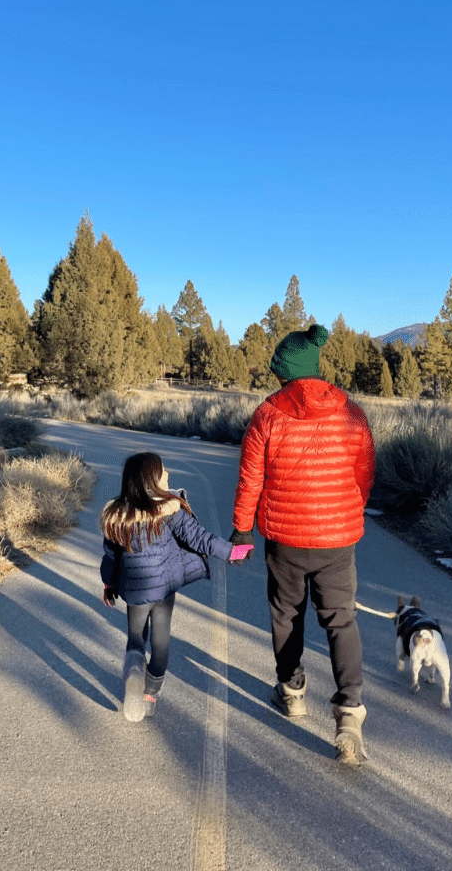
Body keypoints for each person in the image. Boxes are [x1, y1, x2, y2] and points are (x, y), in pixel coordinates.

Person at [230, 324, 375, 765]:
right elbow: (363, 473)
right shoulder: (350, 412)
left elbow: (251, 477)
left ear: (286, 372)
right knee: (340, 620)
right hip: (337, 539)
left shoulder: (268, 414)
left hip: (285, 540)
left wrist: (241, 530)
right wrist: (348, 510)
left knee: (286, 615)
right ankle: (349, 712)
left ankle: (292, 691)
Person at [101, 451, 253, 722]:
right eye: (163, 471)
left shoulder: (117, 517)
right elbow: (200, 538)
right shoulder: (169, 510)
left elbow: (111, 557)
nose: (167, 473)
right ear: (153, 480)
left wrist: (109, 583)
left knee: (135, 639)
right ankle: (149, 697)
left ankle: (134, 673)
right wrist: (232, 552)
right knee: (160, 642)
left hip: (135, 592)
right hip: (163, 590)